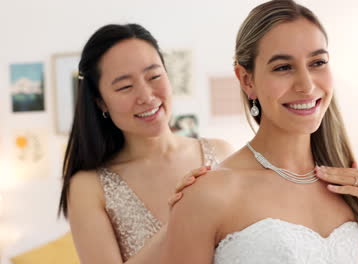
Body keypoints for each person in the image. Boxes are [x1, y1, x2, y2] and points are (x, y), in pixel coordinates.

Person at [157, 1, 358, 263]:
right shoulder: (209, 194)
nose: (307, 85)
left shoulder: (351, 188)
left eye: (318, 62)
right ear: (247, 80)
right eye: (283, 67)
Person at [58, 24, 233, 263]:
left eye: (154, 76)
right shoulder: (89, 186)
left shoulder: (220, 153)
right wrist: (177, 220)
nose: (147, 96)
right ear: (101, 102)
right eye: (125, 87)